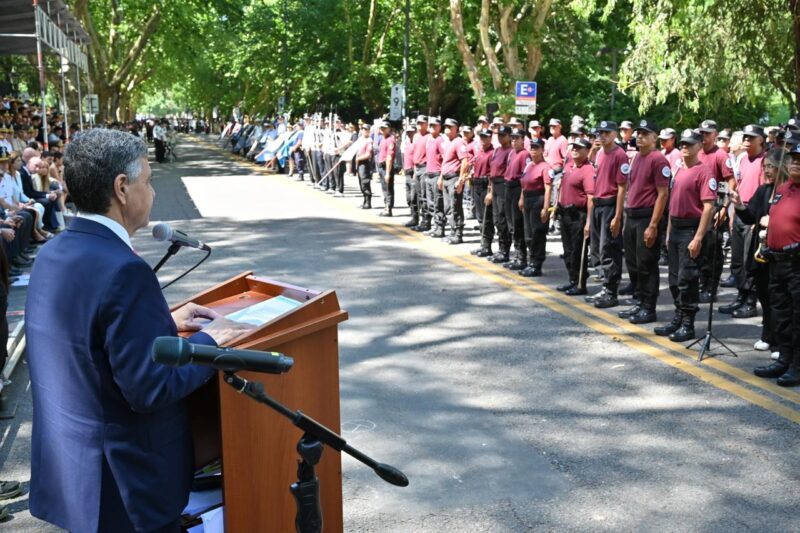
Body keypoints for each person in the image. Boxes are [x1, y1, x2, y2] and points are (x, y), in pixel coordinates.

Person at [25, 128, 254, 533]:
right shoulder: (125, 271)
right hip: (126, 487)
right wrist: (210, 342)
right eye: (147, 181)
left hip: (74, 472)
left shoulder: (54, 250)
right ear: (122, 188)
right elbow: (149, 388)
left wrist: (165, 323)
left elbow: (85, 335)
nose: (152, 191)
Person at [654, 129, 716, 342]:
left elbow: (708, 207)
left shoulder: (704, 172)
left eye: (689, 144)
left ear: (699, 146)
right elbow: (673, 204)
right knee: (673, 279)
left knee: (687, 279)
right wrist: (668, 232)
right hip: (676, 229)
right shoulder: (678, 169)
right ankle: (678, 317)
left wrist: (698, 237)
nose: (685, 147)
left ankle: (688, 323)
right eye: (683, 144)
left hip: (691, 229)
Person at [730, 148, 788, 360]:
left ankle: (781, 342)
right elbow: (749, 217)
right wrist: (739, 205)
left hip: (780, 254)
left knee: (779, 300)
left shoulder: (789, 192)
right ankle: (767, 334)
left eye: (771, 166)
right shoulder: (763, 191)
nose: (767, 171)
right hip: (761, 252)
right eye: (765, 167)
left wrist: (773, 221)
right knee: (763, 295)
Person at [752, 142, 800, 387]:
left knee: (797, 317)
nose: (796, 164)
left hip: (797, 264)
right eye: (794, 159)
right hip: (776, 261)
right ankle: (784, 359)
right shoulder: (782, 189)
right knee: (780, 315)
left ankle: (797, 366)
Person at [619, 120, 670, 324]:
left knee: (646, 263)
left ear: (654, 138)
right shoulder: (636, 157)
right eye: (638, 133)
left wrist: (653, 225)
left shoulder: (658, 160)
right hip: (632, 216)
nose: (639, 137)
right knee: (633, 262)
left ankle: (649, 307)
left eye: (645, 134)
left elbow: (663, 194)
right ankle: (639, 300)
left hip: (647, 217)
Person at [722, 124, 766, 318]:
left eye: (751, 138)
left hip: (753, 213)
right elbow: (739, 186)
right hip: (740, 210)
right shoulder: (742, 159)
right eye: (745, 137)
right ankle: (740, 296)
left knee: (750, 261)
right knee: (738, 259)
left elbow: (764, 192)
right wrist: (733, 213)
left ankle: (750, 301)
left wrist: (758, 219)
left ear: (761, 140)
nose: (747, 140)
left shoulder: (764, 161)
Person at [586, 121, 629, 309]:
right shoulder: (600, 153)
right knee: (598, 248)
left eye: (606, 133)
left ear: (614, 134)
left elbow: (622, 188)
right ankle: (605, 286)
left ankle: (611, 292)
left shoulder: (620, 155)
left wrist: (617, 216)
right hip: (598, 204)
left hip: (610, 205)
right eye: (600, 133)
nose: (602, 136)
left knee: (609, 248)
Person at [696, 119, 735, 302]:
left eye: (707, 133)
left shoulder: (720, 155)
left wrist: (724, 208)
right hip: (697, 208)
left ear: (715, 135)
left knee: (712, 250)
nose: (704, 136)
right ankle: (701, 283)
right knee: (699, 248)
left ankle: (711, 287)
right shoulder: (697, 151)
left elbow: (731, 182)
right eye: (702, 133)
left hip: (714, 208)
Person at [557, 138, 595, 295]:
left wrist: (588, 222)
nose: (574, 150)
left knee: (577, 251)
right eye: (573, 147)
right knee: (567, 251)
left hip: (578, 215)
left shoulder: (588, 170)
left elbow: (591, 198)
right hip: (564, 213)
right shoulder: (568, 166)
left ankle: (580, 284)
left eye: (579, 148)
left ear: (587, 151)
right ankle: (572, 279)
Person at [517, 137, 552, 276]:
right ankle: (531, 261)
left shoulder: (545, 167)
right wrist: (521, 198)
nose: (533, 150)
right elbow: (523, 184)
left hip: (538, 199)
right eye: (531, 147)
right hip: (527, 199)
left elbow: (548, 188)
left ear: (542, 149)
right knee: (528, 234)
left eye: (536, 147)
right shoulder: (529, 165)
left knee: (537, 233)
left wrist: (545, 208)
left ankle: (536, 264)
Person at [438, 121, 471, 244]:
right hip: (446, 178)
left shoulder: (459, 142)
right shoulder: (448, 142)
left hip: (454, 178)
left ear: (456, 128)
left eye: (449, 127)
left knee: (455, 206)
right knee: (448, 207)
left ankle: (458, 234)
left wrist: (460, 180)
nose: (447, 128)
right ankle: (452, 232)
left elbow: (465, 162)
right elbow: (445, 162)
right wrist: (441, 177)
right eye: (445, 126)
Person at [503, 128, 530, 271]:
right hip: (508, 187)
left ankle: (522, 257)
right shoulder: (511, 153)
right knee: (511, 224)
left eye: (516, 138)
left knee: (517, 223)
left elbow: (525, 177)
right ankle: (517, 254)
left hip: (517, 188)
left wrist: (522, 197)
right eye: (512, 138)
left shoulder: (525, 154)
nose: (513, 141)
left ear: (523, 140)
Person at [487, 126, 514, 263]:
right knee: (497, 219)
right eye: (499, 135)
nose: (500, 137)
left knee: (503, 218)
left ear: (509, 136)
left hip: (504, 185)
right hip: (495, 184)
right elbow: (492, 172)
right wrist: (491, 191)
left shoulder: (511, 152)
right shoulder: (497, 150)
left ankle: (505, 251)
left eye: (503, 135)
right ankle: (500, 248)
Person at [470, 128, 495, 257]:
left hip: (486, 185)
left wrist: (490, 192)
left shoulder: (492, 153)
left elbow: (493, 175)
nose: (483, 139)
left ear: (490, 138)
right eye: (481, 137)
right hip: (477, 184)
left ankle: (487, 245)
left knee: (486, 217)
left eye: (486, 137)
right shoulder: (479, 152)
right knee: (480, 216)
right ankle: (483, 244)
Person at [409, 115, 429, 230]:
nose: (420, 125)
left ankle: (425, 221)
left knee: (424, 196)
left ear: (426, 124)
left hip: (425, 167)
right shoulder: (416, 136)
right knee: (414, 195)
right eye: (418, 123)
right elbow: (415, 153)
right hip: (417, 168)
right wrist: (414, 170)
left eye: (422, 123)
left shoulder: (429, 137)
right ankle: (415, 218)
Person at [377, 121, 396, 217]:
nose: (382, 129)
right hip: (381, 166)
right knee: (384, 188)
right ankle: (386, 207)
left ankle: (388, 208)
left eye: (384, 128)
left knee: (388, 188)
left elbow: (389, 157)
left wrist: (388, 173)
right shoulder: (382, 139)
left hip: (386, 166)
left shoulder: (390, 140)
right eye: (381, 128)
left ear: (389, 129)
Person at [355, 124, 373, 209]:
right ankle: (365, 201)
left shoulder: (369, 141)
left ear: (369, 131)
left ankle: (368, 202)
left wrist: (358, 158)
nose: (364, 131)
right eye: (363, 129)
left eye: (366, 129)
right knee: (361, 183)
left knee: (365, 182)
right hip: (359, 162)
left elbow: (368, 154)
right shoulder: (360, 139)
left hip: (364, 163)